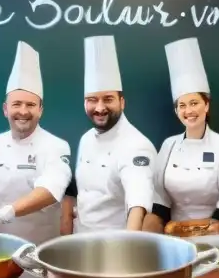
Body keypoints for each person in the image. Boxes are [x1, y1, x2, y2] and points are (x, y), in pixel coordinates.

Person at [0, 41, 72, 242]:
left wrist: (5, 213)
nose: (23, 111)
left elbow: (51, 189)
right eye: (17, 104)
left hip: (40, 248)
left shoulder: (57, 146)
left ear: (40, 110)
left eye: (30, 105)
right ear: (5, 109)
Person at [144, 38, 219, 235]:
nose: (188, 110)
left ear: (206, 105)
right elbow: (159, 199)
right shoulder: (168, 145)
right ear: (176, 111)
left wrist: (184, 229)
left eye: (194, 103)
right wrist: (145, 236)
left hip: (214, 236)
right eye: (182, 105)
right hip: (172, 238)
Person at [62, 35, 155, 233]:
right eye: (92, 99)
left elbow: (138, 199)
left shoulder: (137, 145)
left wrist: (130, 244)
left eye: (108, 99)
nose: (100, 107)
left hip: (115, 244)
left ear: (122, 102)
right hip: (80, 241)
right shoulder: (86, 138)